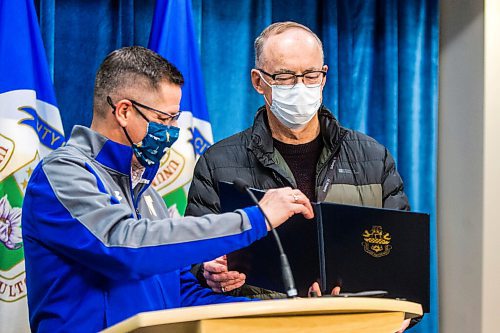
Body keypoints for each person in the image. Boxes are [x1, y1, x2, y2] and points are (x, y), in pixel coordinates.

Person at [21, 46, 314, 332]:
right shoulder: (62, 173)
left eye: (174, 118)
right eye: (164, 119)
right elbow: (124, 246)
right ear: (123, 111)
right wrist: (255, 219)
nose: (172, 131)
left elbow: (181, 296)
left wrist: (279, 312)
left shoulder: (146, 194)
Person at [185, 22, 413, 332]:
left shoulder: (372, 158)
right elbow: (193, 260)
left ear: (324, 76)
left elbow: (403, 261)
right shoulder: (218, 163)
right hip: (262, 327)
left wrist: (399, 314)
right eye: (285, 77)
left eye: (310, 75)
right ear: (258, 81)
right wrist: (208, 271)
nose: (300, 86)